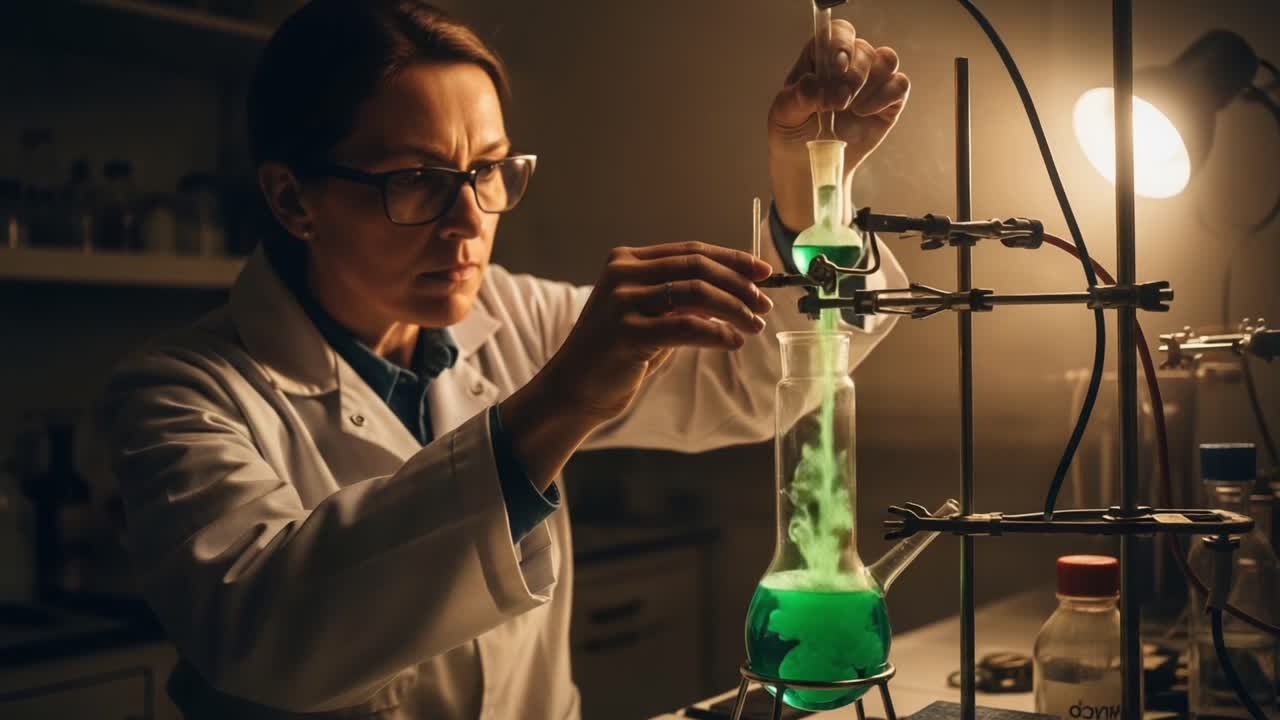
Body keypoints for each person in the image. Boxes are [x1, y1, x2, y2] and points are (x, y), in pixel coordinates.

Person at [101, 1, 911, 718]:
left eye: (487, 170)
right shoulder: (178, 394)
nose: (468, 221)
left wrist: (812, 185)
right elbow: (263, 638)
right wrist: (559, 402)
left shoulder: (515, 313)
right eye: (416, 178)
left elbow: (760, 380)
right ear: (291, 199)